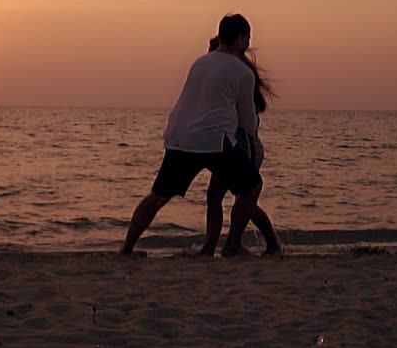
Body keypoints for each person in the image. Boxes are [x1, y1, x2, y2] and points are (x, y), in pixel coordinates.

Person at [120, 14, 262, 257]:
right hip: (215, 140)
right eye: (247, 37)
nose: (248, 42)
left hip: (180, 136)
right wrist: (253, 142)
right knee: (252, 186)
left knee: (157, 197)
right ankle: (232, 245)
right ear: (239, 38)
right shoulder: (242, 71)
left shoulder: (200, 62)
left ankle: (127, 248)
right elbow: (247, 120)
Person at [198, 37, 281, 256]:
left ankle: (232, 244)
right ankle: (219, 245)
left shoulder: (239, 76)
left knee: (241, 196)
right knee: (225, 196)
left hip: (245, 145)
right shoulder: (227, 75)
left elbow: (251, 114)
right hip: (230, 144)